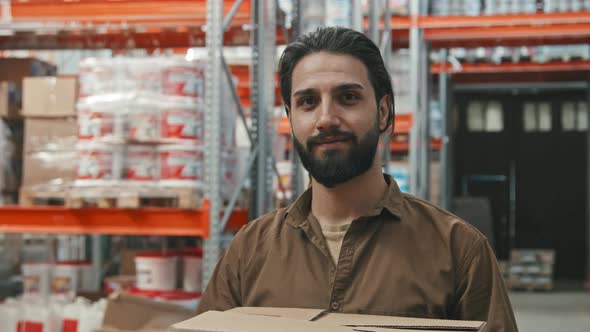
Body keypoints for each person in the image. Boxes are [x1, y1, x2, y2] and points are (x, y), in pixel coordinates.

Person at [197, 26, 518, 332]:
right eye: (308, 102)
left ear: (383, 112)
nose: (326, 119)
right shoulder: (249, 252)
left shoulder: (459, 250)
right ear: (291, 118)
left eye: (348, 97)